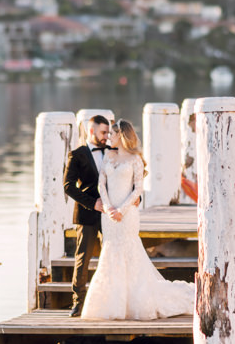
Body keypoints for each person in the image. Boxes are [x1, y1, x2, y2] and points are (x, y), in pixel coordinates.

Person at [81, 119, 195, 320]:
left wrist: (122, 210)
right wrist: (107, 207)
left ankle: (135, 303)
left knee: (130, 252)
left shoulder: (134, 160)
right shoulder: (109, 156)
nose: (109, 138)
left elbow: (138, 189)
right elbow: (101, 185)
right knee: (110, 254)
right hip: (108, 216)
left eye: (113, 135)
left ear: (122, 136)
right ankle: (111, 305)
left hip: (126, 216)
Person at [63, 114, 111, 317]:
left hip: (111, 213)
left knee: (113, 255)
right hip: (87, 213)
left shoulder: (113, 151)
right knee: (83, 258)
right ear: (91, 131)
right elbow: (68, 186)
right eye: (103, 132)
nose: (106, 137)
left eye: (108, 133)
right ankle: (78, 302)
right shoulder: (77, 154)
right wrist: (93, 204)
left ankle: (110, 299)